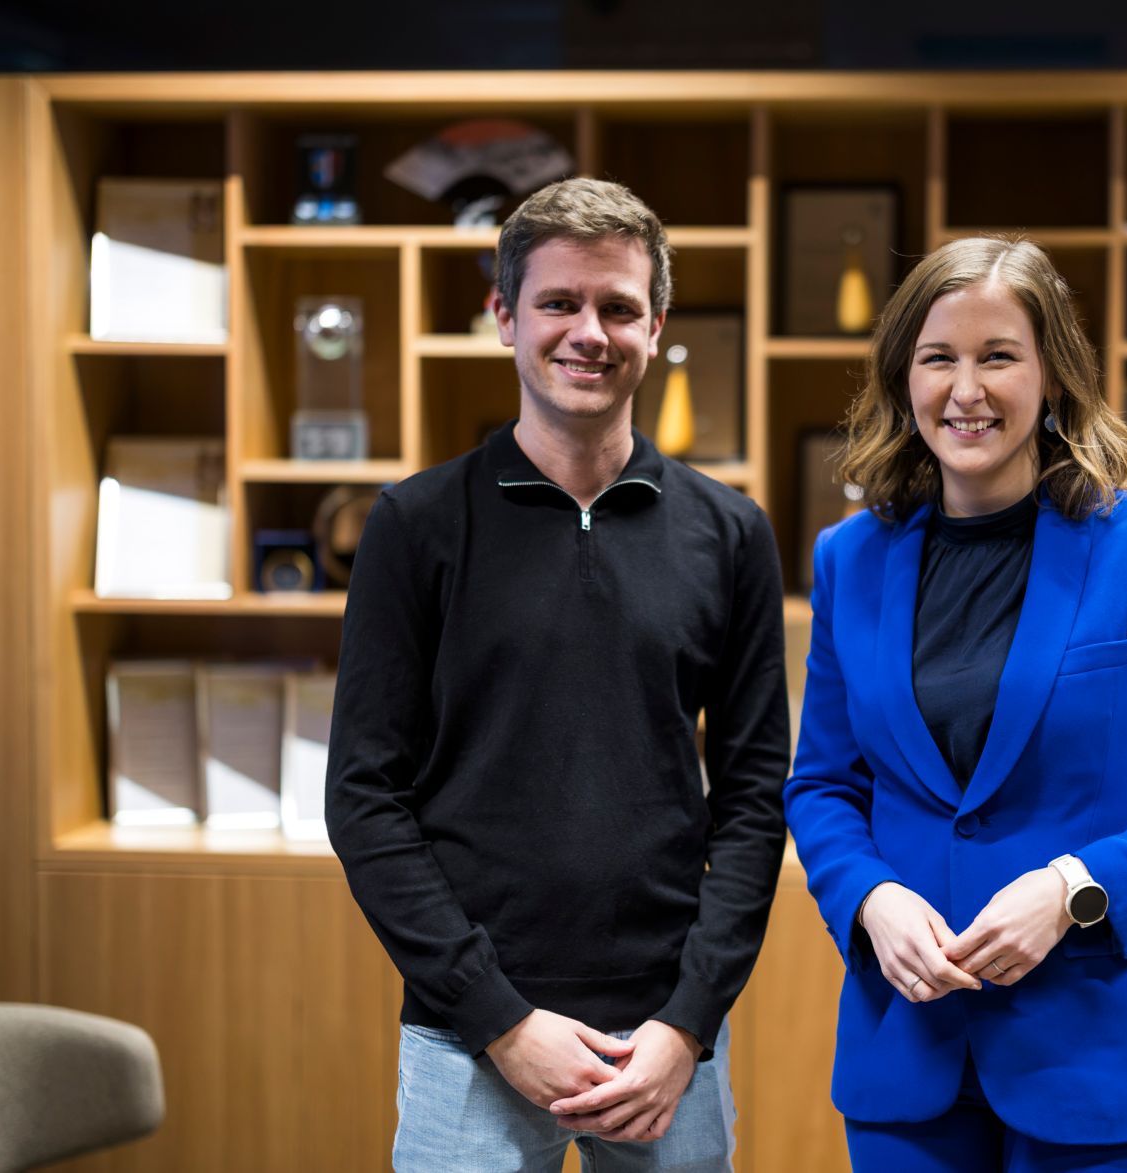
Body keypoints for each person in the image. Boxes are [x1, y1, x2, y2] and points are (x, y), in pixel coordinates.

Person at [783, 236, 1127, 1173]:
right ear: (903, 379)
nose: (965, 389)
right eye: (938, 358)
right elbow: (821, 785)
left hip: (1111, 1062)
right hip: (911, 1061)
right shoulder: (847, 558)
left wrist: (1073, 891)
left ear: (1053, 375)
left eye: (998, 356)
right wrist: (870, 899)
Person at [326, 177, 790, 1173]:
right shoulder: (414, 526)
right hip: (470, 1037)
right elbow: (364, 796)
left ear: (655, 324)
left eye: (618, 307)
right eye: (558, 303)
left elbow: (753, 801)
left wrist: (689, 1022)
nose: (590, 331)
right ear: (503, 317)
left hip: (663, 1043)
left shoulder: (730, 534)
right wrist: (497, 1019)